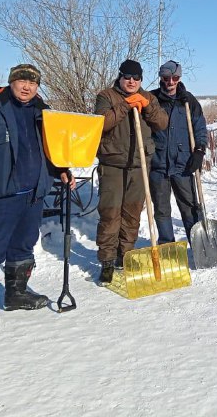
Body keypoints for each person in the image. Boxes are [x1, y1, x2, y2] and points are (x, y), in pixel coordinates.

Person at [0, 64, 74, 330]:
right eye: (22, 81)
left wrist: (61, 169)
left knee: (24, 244)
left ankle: (16, 294)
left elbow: (52, 149)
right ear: (11, 81)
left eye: (33, 83)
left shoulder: (43, 111)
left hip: (34, 192)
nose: (26, 87)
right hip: (1, 193)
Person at [94, 59, 168, 283]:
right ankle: (107, 261)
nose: (132, 81)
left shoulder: (149, 98)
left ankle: (125, 256)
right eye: (128, 77)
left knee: (132, 215)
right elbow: (102, 123)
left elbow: (162, 123)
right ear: (120, 77)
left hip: (139, 165)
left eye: (136, 78)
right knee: (110, 214)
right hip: (113, 164)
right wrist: (126, 105)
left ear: (141, 80)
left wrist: (147, 106)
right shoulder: (106, 96)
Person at [149, 60, 208, 245]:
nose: (170, 82)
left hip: (183, 164)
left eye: (174, 78)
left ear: (179, 78)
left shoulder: (188, 100)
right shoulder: (152, 100)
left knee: (190, 206)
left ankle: (198, 244)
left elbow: (200, 127)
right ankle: (167, 245)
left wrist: (199, 150)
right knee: (161, 209)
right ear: (161, 78)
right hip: (158, 165)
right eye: (166, 78)